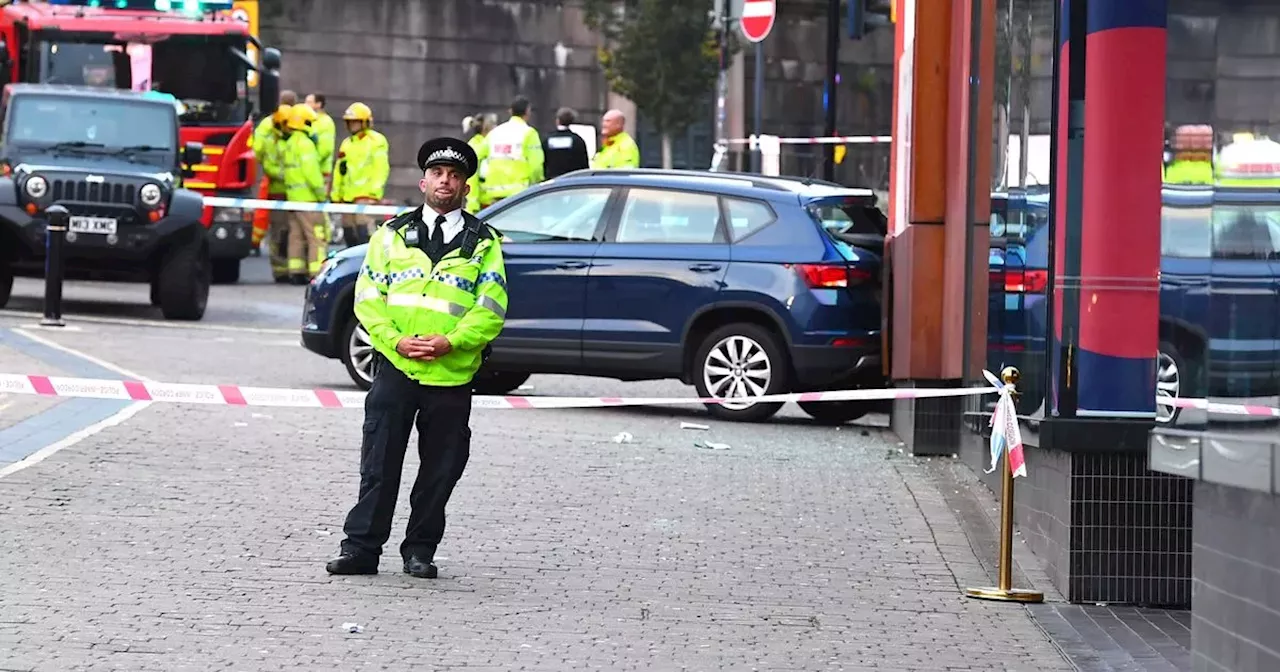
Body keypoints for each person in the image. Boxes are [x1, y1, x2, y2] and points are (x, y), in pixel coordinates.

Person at [326, 136, 509, 579]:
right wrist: (395, 342)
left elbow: (492, 308)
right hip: (397, 367)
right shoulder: (391, 235)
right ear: (424, 181)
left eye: (456, 176)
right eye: (439, 174)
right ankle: (361, 549)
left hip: (451, 374)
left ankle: (420, 550)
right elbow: (369, 298)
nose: (446, 182)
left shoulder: (484, 243)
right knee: (379, 462)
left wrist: (451, 342)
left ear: (466, 187)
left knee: (440, 470)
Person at [330, 102, 390, 246]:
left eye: (355, 121)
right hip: (347, 197)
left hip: (365, 196)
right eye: (350, 122)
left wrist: (374, 194)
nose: (352, 125)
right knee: (349, 233)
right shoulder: (346, 143)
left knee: (364, 233)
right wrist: (336, 195)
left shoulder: (376, 141)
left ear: (365, 122)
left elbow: (381, 169)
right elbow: (340, 171)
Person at [281, 103, 327, 283]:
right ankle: (317, 273)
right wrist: (321, 194)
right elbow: (312, 174)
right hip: (308, 200)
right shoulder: (305, 144)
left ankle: (296, 271)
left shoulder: (289, 143)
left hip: (293, 199)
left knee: (296, 236)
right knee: (316, 237)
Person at [482, 96, 544, 207]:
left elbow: (477, 157)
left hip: (495, 193)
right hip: (520, 194)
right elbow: (536, 166)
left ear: (510, 111)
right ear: (528, 111)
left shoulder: (495, 133)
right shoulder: (529, 133)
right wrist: (537, 184)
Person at [306, 92, 338, 244]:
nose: (306, 104)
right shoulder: (309, 120)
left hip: (320, 171)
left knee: (320, 204)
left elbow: (325, 148)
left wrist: (309, 161)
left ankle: (326, 233)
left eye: (309, 101)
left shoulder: (325, 122)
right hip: (311, 169)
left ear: (318, 104)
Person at [542, 107, 590, 179]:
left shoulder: (548, 139)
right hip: (571, 181)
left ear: (557, 120)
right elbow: (584, 165)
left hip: (552, 182)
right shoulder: (578, 140)